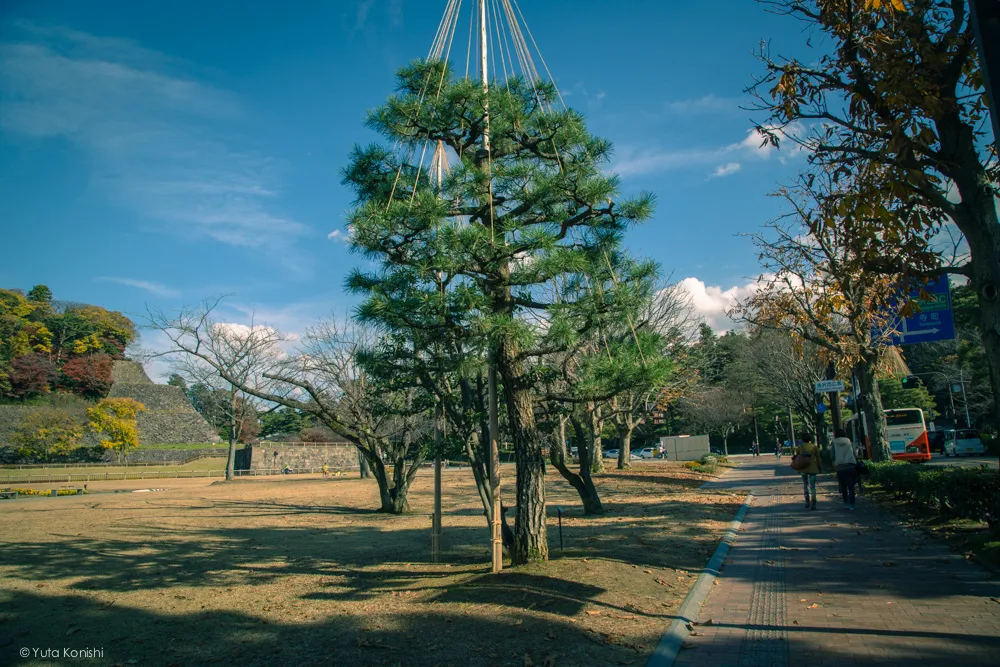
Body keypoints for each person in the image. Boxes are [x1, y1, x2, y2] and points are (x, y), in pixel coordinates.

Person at [831, 428, 858, 511]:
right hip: (851, 465)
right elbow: (854, 452)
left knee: (843, 486)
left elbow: (832, 456)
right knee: (851, 486)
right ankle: (852, 505)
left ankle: (846, 503)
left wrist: (833, 464)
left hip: (840, 466)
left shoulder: (834, 443)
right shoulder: (849, 441)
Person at [795, 433, 822, 510]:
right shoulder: (814, 447)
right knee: (813, 486)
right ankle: (813, 503)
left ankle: (807, 501)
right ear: (810, 439)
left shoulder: (800, 447)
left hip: (803, 468)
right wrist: (820, 468)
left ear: (802, 440)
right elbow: (818, 459)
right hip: (813, 468)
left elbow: (797, 458)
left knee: (805, 484)